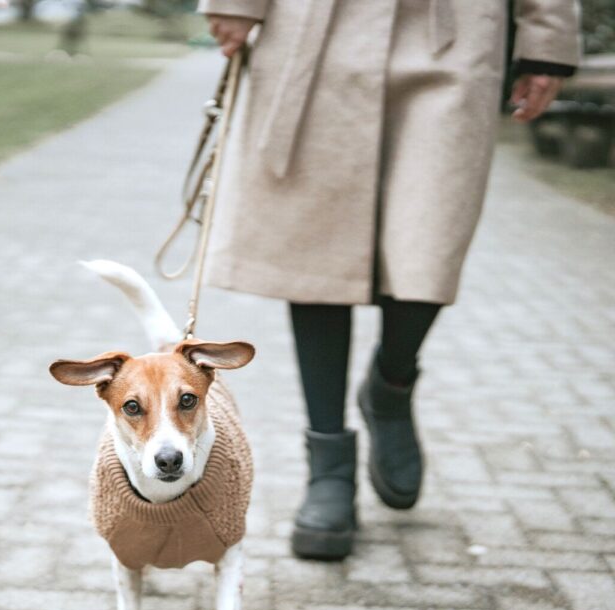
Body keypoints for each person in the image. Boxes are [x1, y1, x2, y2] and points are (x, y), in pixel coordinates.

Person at [199, 0, 580, 560]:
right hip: (314, 30)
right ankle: (328, 465)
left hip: (454, 34)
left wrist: (546, 40)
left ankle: (391, 385)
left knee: (431, 238)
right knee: (315, 247)